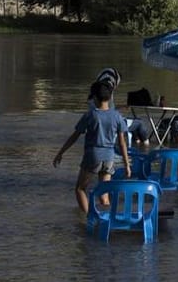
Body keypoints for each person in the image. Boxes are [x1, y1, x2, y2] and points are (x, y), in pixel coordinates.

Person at [52, 79, 131, 214]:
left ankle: (88, 218)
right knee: (104, 194)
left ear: (94, 97)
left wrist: (61, 152)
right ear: (109, 97)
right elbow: (122, 143)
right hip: (109, 157)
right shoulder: (117, 116)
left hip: (93, 155)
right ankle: (106, 220)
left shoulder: (90, 115)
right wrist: (126, 164)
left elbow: (75, 136)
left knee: (80, 189)